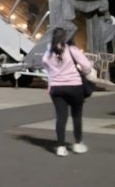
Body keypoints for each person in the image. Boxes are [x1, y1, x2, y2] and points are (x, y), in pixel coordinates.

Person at [42, 27, 92, 157]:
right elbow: (87, 66)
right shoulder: (71, 49)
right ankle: (78, 144)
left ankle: (60, 147)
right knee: (76, 116)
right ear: (65, 37)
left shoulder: (49, 52)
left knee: (61, 117)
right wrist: (84, 73)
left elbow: (45, 65)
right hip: (74, 87)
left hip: (56, 88)